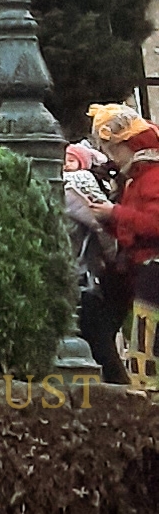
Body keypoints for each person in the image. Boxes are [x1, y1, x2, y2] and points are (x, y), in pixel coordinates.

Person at [89, 105, 159, 391]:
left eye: (112, 149)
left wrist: (113, 214)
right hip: (138, 271)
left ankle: (147, 399)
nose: (110, 158)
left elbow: (153, 224)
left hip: (152, 272)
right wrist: (108, 219)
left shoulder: (151, 177)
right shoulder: (137, 178)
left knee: (147, 342)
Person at [65, 138, 126, 381]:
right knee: (99, 340)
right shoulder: (81, 185)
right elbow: (103, 229)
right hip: (88, 278)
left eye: (72, 160)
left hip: (82, 279)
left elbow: (101, 225)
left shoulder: (74, 185)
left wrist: (113, 258)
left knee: (97, 339)